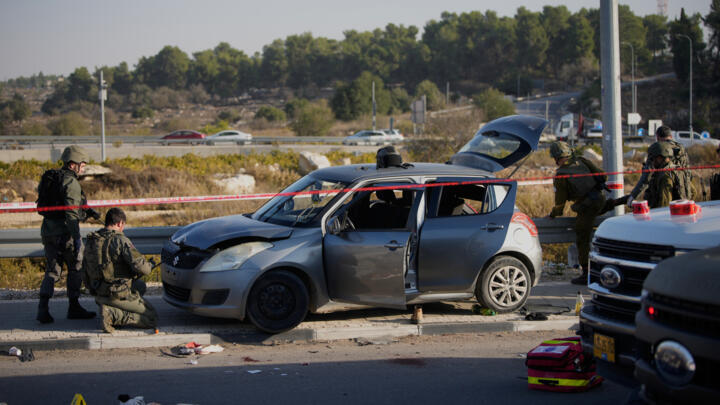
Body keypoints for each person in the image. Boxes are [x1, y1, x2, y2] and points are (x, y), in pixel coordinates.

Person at [547, 141, 626, 285]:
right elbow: (602, 175)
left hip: (586, 206)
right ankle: (614, 203)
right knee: (595, 211)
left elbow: (560, 203)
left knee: (582, 235)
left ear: (557, 158)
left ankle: (586, 272)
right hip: (600, 198)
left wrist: (553, 214)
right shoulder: (582, 160)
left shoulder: (561, 175)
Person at [36, 145, 99, 324]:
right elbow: (72, 214)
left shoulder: (51, 178)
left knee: (52, 271)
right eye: (82, 164)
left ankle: (43, 308)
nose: (84, 168)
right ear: (73, 165)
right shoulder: (71, 182)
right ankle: (74, 306)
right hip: (66, 233)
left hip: (48, 232)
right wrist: (77, 238)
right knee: (76, 267)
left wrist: (88, 211)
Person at [82, 207, 158, 333]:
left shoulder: (93, 240)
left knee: (139, 286)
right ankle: (113, 314)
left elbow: (84, 269)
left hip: (98, 291)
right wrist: (149, 265)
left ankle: (109, 307)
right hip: (115, 293)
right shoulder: (120, 240)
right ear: (120, 223)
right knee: (151, 318)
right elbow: (143, 269)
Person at [628, 125, 691, 207]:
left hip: (662, 193)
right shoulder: (681, 149)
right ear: (671, 136)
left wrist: (633, 195)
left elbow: (646, 177)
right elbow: (688, 173)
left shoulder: (657, 150)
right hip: (683, 194)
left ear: (657, 137)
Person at [644, 142, 683, 208]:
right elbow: (693, 193)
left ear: (660, 158)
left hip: (666, 215)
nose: (652, 162)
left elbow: (664, 205)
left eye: (653, 159)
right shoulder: (677, 169)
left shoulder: (665, 175)